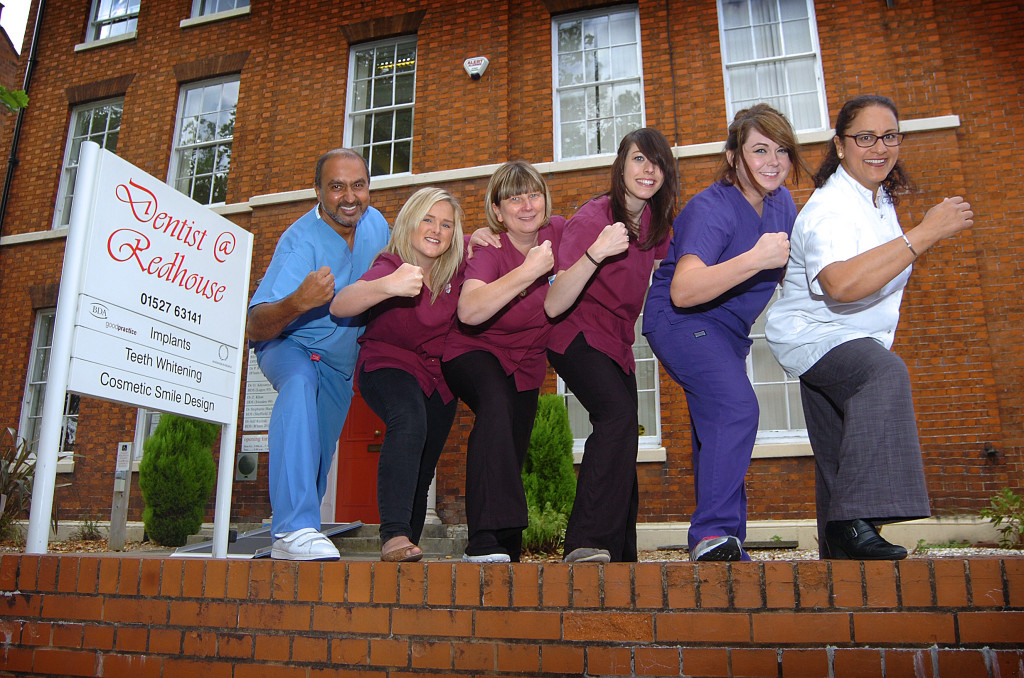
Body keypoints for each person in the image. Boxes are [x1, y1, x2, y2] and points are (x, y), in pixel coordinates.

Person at [764, 95, 974, 560]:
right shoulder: (830, 208)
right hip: (816, 334)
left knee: (838, 451)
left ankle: (839, 565)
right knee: (884, 375)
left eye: (890, 136)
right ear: (840, 145)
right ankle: (853, 522)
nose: (879, 147)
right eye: (865, 137)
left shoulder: (877, 202)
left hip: (848, 336)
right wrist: (925, 233)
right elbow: (840, 284)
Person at [642, 105, 807, 562]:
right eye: (759, 150)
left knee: (716, 426)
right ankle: (712, 533)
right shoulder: (711, 208)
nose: (773, 161)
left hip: (728, 334)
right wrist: (756, 258)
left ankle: (727, 540)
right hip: (682, 322)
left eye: (782, 151)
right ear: (734, 157)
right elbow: (684, 289)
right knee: (736, 407)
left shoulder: (782, 205)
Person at [247, 148, 390, 560]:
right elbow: (255, 325)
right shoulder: (299, 242)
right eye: (337, 187)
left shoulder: (376, 224)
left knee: (318, 453)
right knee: (298, 386)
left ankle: (292, 543)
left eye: (358, 185)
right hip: (291, 346)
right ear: (318, 192)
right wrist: (298, 301)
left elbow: (414, 252)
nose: (349, 196)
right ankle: (293, 527)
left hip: (340, 364)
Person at [545, 128, 677, 563]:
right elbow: (555, 300)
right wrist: (598, 252)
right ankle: (586, 541)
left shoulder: (654, 226)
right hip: (575, 334)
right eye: (639, 159)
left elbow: (689, 252)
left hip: (617, 343)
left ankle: (620, 554)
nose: (648, 170)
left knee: (625, 436)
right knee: (617, 417)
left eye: (656, 162)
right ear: (621, 165)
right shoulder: (594, 218)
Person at [329, 187, 465, 562]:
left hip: (438, 378)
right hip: (388, 365)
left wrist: (486, 237)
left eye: (446, 224)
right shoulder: (391, 264)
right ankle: (392, 535)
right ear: (410, 223)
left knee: (423, 469)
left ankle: (407, 551)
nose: (436, 230)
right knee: (408, 421)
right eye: (428, 219)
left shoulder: (458, 267)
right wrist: (386, 286)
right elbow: (341, 304)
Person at [441, 160, 564, 563]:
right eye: (514, 198)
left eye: (533, 194)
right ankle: (484, 541)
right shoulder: (489, 248)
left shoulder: (558, 233)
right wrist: (529, 271)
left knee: (512, 444)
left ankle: (507, 547)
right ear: (497, 211)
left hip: (526, 362)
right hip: (473, 351)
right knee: (494, 406)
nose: (526, 205)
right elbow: (470, 311)